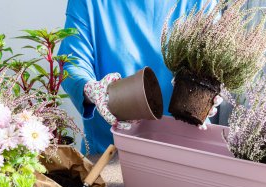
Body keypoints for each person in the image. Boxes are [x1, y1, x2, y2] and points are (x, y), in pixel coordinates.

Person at [59, 0, 219, 155]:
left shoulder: (201, 2)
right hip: (111, 154)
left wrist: (211, 89)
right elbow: (72, 62)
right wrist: (90, 88)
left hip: (187, 151)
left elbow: (215, 59)